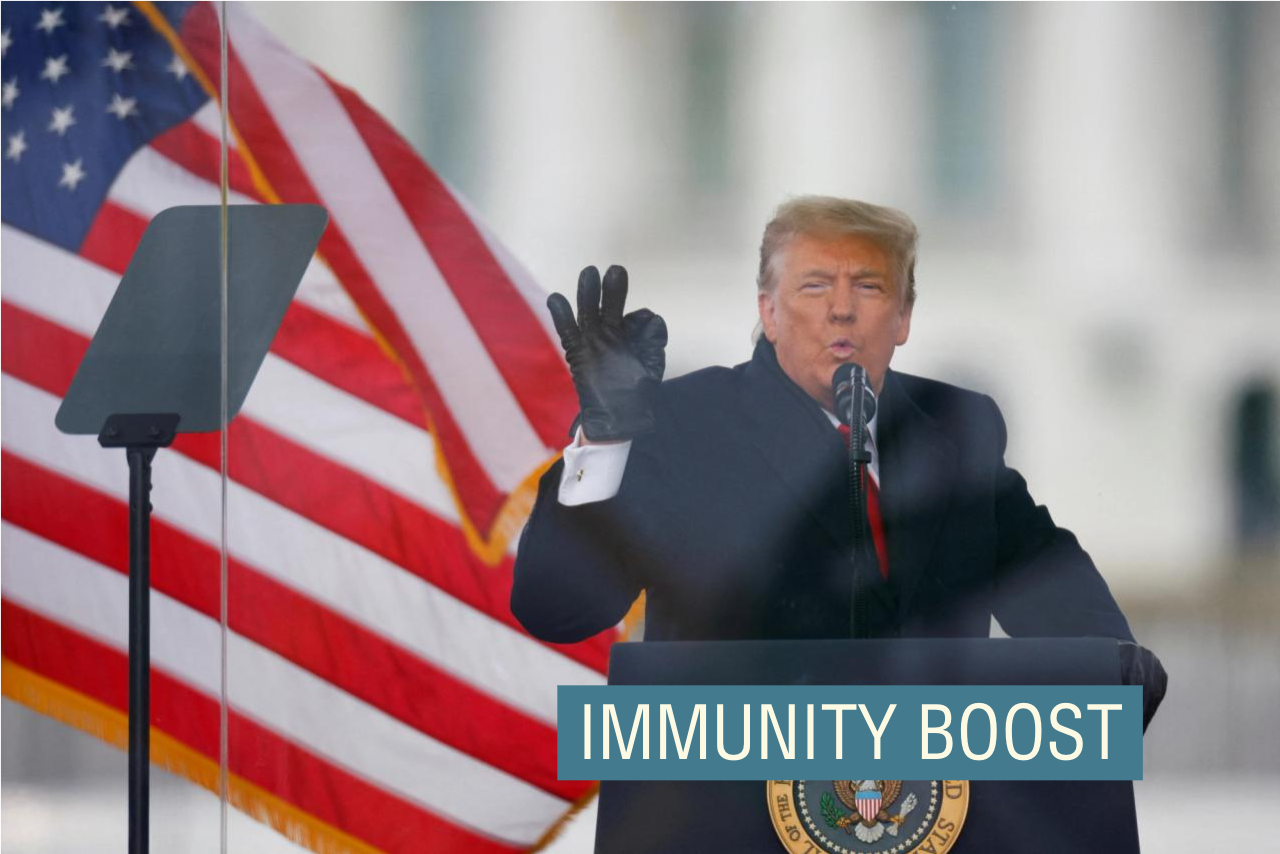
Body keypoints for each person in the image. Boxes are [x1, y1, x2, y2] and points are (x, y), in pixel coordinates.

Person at [511, 196, 1164, 726]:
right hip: (728, 816)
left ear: (904, 316)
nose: (842, 308)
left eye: (870, 286)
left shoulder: (957, 428)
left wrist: (1107, 666)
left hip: (932, 815)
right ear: (768, 311)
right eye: (815, 285)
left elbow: (1044, 582)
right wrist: (605, 438)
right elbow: (558, 607)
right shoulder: (683, 422)